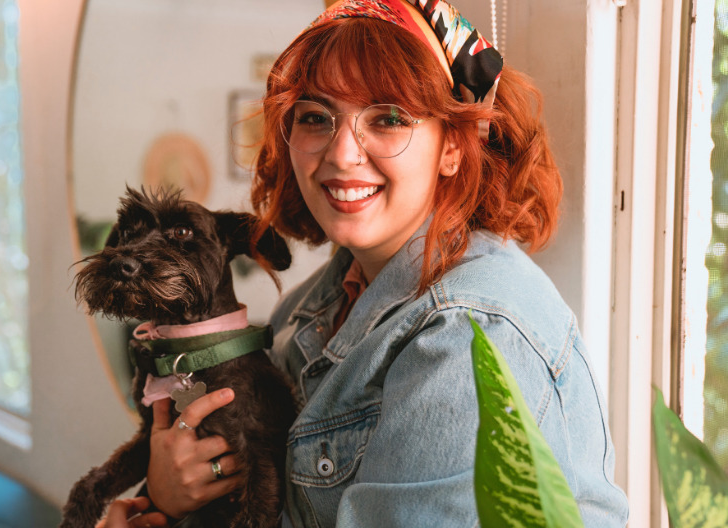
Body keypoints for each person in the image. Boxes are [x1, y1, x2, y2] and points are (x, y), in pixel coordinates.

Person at [100, 0, 629, 526]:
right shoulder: (311, 305)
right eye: (315, 117)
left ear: (454, 147)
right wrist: (168, 498)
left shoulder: (467, 334)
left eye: (389, 118)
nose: (342, 154)